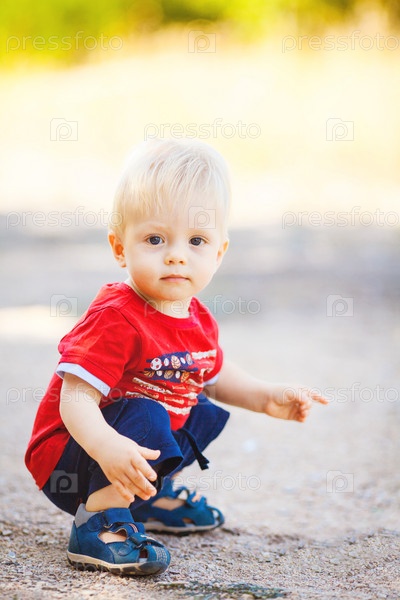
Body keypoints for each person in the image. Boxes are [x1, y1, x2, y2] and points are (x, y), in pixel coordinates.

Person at [25, 138, 328, 576]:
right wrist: (105, 445)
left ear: (219, 253)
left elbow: (213, 373)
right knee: (149, 411)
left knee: (197, 406)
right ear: (119, 247)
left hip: (123, 451)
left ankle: (148, 497)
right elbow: (74, 398)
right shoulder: (116, 317)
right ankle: (99, 520)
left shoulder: (197, 316)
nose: (176, 255)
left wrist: (266, 397)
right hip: (71, 457)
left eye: (196, 240)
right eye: (155, 239)